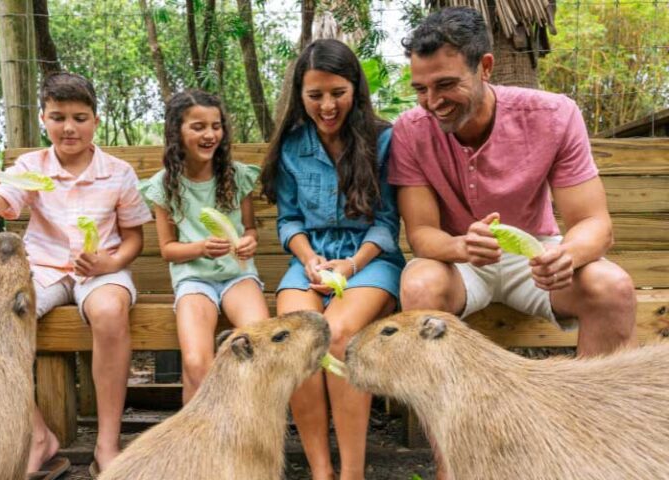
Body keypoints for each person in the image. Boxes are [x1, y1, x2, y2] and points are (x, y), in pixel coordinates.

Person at [390, 6, 636, 358]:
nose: (432, 102)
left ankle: (593, 411)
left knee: (612, 287)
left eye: (445, 84)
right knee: (420, 284)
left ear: (485, 67)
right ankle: (443, 414)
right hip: (459, 264)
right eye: (421, 89)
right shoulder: (409, 130)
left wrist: (565, 256)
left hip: (536, 255)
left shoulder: (554, 115)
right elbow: (422, 234)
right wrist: (462, 247)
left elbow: (594, 223)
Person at [0, 72, 153, 477]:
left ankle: (107, 444)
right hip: (42, 270)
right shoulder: (29, 167)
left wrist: (110, 263)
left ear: (95, 120)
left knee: (111, 311)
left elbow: (134, 239)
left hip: (100, 269)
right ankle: (39, 436)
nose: (69, 127)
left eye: (80, 117)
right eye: (58, 116)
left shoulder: (117, 172)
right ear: (43, 118)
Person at [261, 39, 406, 480]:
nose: (327, 105)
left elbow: (386, 222)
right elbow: (288, 220)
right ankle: (321, 471)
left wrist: (351, 266)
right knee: (297, 341)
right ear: (300, 95)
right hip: (311, 262)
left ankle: (352, 473)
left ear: (355, 89)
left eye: (337, 93)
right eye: (315, 95)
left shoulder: (383, 140)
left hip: (370, 260)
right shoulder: (290, 146)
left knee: (340, 334)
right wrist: (309, 260)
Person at [140, 90, 269, 405]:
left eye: (216, 126)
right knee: (196, 363)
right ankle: (204, 437)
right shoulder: (165, 185)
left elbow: (250, 229)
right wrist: (200, 248)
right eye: (198, 127)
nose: (210, 134)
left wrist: (248, 241)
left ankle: (242, 426)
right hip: (194, 280)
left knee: (261, 346)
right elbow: (168, 249)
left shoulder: (236, 176)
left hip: (237, 275)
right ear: (177, 133)